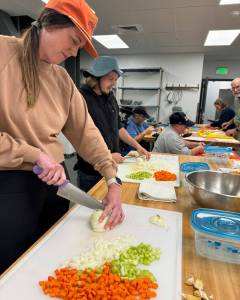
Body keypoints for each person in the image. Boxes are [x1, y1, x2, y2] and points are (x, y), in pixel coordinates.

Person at [0, 0, 124, 274]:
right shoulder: (2, 53)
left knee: (50, 261)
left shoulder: (62, 80)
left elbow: (86, 132)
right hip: (9, 184)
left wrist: (112, 178)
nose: (74, 50)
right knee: (12, 269)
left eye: (80, 46)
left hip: (55, 183)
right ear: (49, 23)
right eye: (74, 39)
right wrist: (35, 154)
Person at [74, 56, 150, 192]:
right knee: (92, 211)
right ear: (96, 77)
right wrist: (107, 156)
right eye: (110, 79)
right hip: (91, 171)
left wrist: (137, 146)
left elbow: (119, 128)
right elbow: (80, 137)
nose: (113, 83)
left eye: (115, 80)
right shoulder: (81, 97)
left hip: (113, 165)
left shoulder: (110, 97)